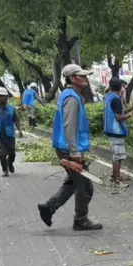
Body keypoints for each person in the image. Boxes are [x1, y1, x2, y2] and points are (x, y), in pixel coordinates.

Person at [38, 64, 101, 231]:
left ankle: (49, 208)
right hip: (70, 148)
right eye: (82, 75)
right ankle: (80, 219)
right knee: (85, 187)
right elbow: (69, 127)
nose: (85, 77)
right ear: (72, 78)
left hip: (68, 147)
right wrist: (74, 152)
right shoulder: (72, 98)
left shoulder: (71, 95)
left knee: (73, 183)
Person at [103, 78, 133, 187]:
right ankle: (117, 181)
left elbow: (118, 112)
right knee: (118, 157)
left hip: (110, 130)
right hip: (116, 131)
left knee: (116, 156)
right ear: (121, 87)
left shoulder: (108, 97)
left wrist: (132, 110)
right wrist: (132, 114)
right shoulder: (116, 99)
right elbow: (119, 117)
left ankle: (113, 177)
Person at [0, 87, 22, 176]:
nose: (2, 98)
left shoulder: (11, 108)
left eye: (4, 96)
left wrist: (20, 130)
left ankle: (9, 163)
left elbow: (16, 120)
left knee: (12, 153)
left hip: (9, 134)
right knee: (1, 153)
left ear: (7, 97)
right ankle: (4, 169)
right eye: (0, 96)